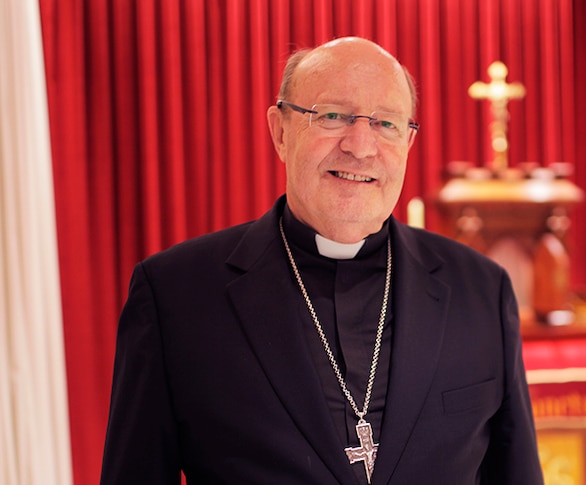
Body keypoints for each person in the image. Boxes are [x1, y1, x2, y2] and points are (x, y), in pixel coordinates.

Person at [100, 36, 543, 484]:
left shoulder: (482, 289)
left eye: (386, 124)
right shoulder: (176, 295)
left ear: (408, 142)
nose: (361, 146)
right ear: (280, 131)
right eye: (333, 116)